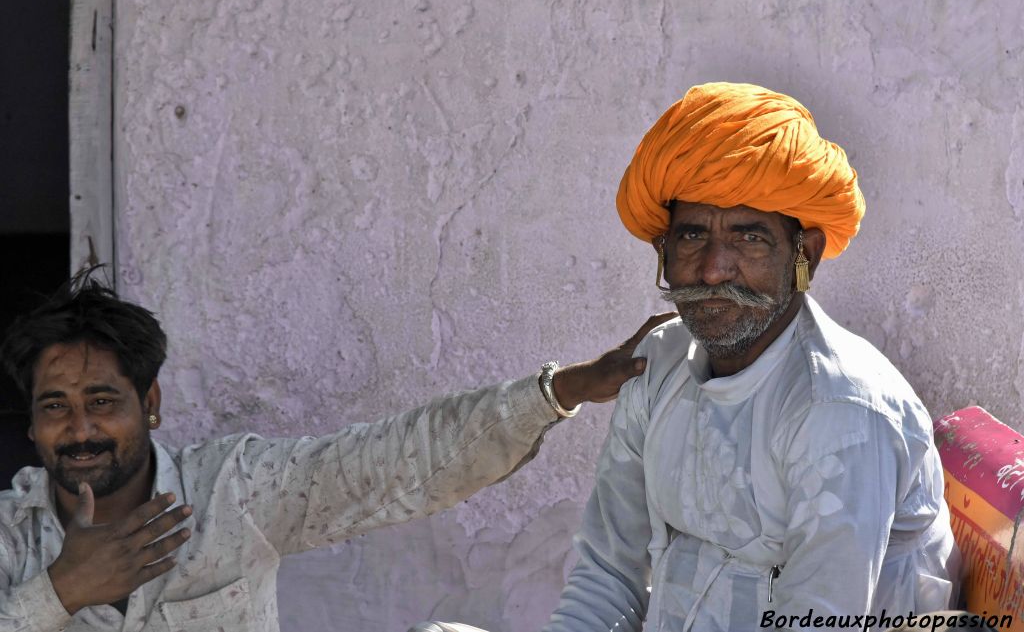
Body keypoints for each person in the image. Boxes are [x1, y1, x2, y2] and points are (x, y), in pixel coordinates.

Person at [415, 82, 960, 632]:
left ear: (805, 256)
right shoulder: (659, 365)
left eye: (749, 238)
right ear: (664, 251)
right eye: (693, 235)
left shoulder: (839, 410)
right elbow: (609, 573)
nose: (714, 268)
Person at [0, 269, 673, 632]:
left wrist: (563, 388)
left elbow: (400, 460)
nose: (80, 428)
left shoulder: (233, 491)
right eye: (54, 406)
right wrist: (61, 591)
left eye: (102, 400)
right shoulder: (10, 536)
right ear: (30, 426)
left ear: (150, 402)